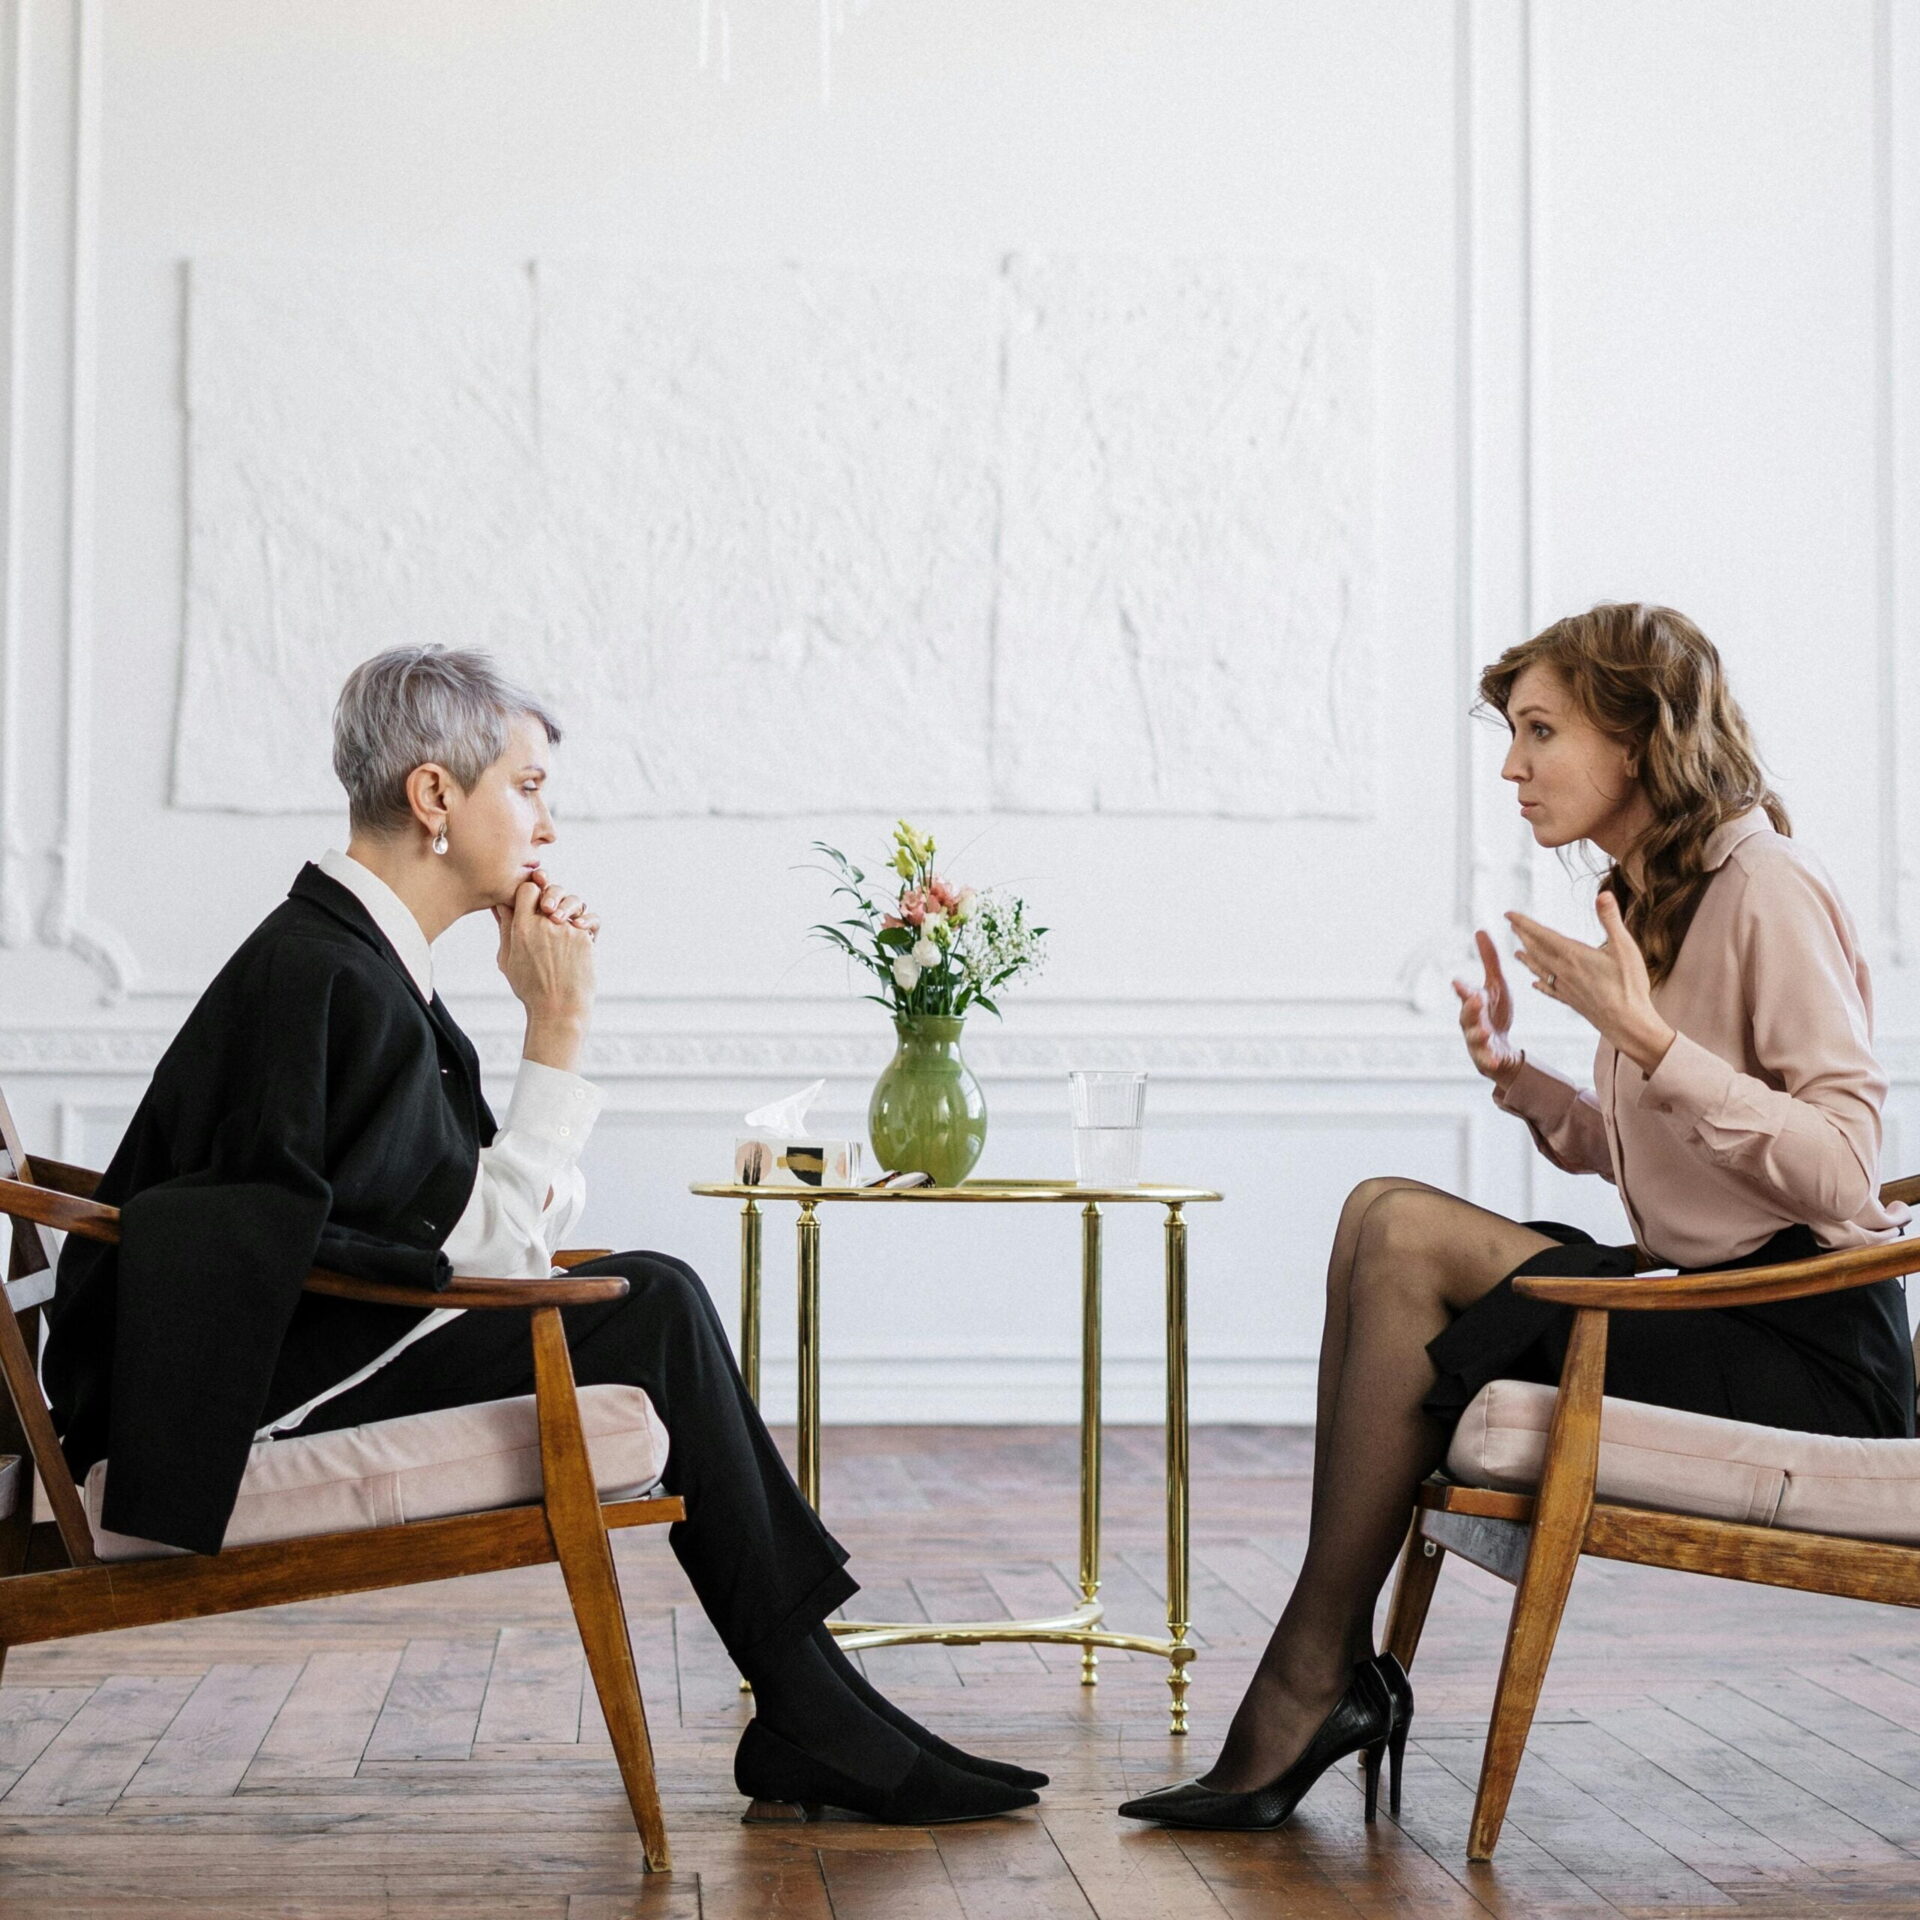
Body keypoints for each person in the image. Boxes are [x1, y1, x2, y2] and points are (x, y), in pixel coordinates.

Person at [44, 645, 1043, 1827]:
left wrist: (536, 1035)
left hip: (278, 1342)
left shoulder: (350, 959)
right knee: (654, 1300)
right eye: (527, 787)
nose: (547, 826)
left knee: (647, 1290)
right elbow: (486, 1255)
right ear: (434, 798)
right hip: (239, 1393)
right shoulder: (334, 974)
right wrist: (559, 1024)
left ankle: (813, 1701)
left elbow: (463, 1224)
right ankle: (812, 1706)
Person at [1120, 602, 1916, 1833]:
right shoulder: (1655, 892)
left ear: (1642, 738)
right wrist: (1525, 1080)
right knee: (1381, 1208)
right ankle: (1318, 1669)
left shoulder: (1768, 885)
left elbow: (1847, 1171)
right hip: (1704, 1302)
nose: (1512, 765)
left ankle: (1312, 1676)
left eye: (1540, 731)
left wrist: (1644, 1034)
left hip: (1804, 1347)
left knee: (1400, 1231)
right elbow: (1676, 1165)